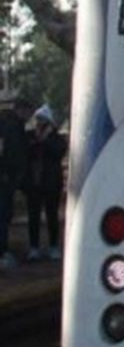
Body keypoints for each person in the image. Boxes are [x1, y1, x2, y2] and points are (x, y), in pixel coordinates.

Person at [24, 105, 65, 261]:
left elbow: (59, 152)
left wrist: (45, 141)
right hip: (34, 184)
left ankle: (53, 246)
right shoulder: (30, 136)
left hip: (51, 184)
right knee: (33, 216)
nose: (39, 123)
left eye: (42, 120)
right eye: (37, 120)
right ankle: (34, 247)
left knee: (52, 215)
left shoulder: (56, 138)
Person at [0, 92, 26, 269]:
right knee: (2, 216)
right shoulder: (12, 126)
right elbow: (14, 155)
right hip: (5, 178)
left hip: (5, 176)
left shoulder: (7, 125)